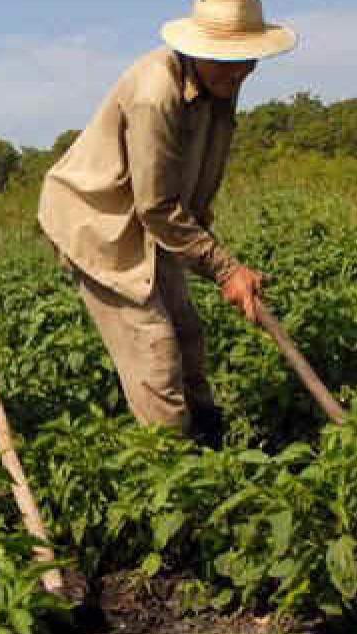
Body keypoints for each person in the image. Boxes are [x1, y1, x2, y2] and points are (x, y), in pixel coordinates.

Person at [38, 0, 298, 448]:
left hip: (151, 219)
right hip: (99, 225)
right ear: (199, 49)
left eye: (246, 60)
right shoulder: (156, 92)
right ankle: (174, 474)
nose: (238, 73)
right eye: (227, 60)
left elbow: (183, 183)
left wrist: (209, 238)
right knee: (155, 353)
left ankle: (208, 443)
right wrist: (225, 268)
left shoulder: (223, 80)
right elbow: (156, 207)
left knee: (188, 334)